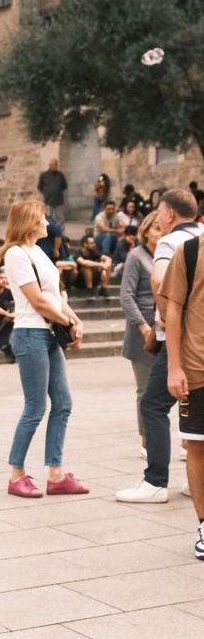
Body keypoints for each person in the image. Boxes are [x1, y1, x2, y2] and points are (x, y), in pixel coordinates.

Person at [116, 189, 203, 504]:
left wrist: (167, 314)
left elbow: (160, 278)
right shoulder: (202, 236)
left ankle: (155, 481)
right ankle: (197, 483)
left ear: (168, 214)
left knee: (152, 405)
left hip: (180, 341)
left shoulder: (170, 242)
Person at [3, 199, 88, 498]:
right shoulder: (15, 254)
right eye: (42, 217)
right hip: (30, 334)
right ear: (29, 221)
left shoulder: (39, 252)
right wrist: (65, 321)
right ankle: (16, 475)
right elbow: (37, 301)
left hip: (50, 333)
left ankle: (56, 474)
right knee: (35, 407)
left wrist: (74, 321)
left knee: (63, 403)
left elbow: (56, 295)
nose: (47, 222)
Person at [160, 232, 204, 559]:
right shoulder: (189, 251)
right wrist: (174, 366)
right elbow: (171, 311)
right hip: (198, 368)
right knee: (199, 447)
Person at [120, 211, 161, 458]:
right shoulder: (136, 256)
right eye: (155, 228)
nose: (160, 232)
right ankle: (146, 439)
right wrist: (143, 327)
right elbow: (126, 296)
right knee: (145, 389)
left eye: (162, 227)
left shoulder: (167, 254)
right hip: (143, 329)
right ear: (145, 230)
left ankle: (183, 439)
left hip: (165, 327)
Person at [75, 234, 112, 299]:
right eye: (92, 243)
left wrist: (104, 269)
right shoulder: (78, 252)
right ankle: (89, 290)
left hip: (93, 278)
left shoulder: (93, 251)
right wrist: (100, 264)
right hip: (80, 280)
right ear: (85, 244)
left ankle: (103, 289)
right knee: (86, 267)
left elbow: (108, 259)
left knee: (108, 266)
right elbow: (84, 262)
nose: (94, 245)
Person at [37, 158, 67, 227]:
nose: (54, 167)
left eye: (56, 165)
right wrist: (46, 193)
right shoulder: (44, 175)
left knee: (60, 218)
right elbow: (40, 187)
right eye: (53, 165)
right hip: (48, 200)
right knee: (48, 218)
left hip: (59, 201)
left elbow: (64, 186)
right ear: (49, 166)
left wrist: (57, 191)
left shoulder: (60, 175)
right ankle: (48, 233)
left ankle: (60, 233)